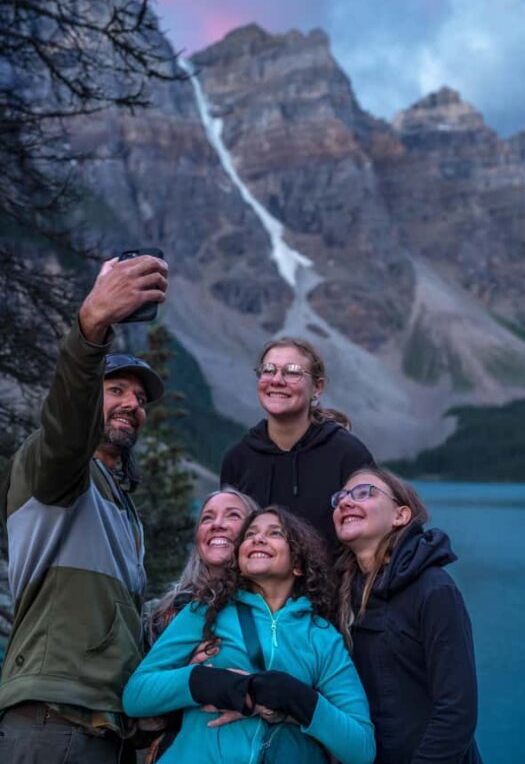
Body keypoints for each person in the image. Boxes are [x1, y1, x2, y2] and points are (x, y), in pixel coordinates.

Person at [0, 253, 168, 764]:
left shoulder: (121, 507)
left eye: (141, 400)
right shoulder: (54, 469)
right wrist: (91, 328)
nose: (132, 405)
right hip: (54, 719)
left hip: (104, 728)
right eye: (116, 390)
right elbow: (67, 425)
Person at [123, 506, 376, 764]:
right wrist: (204, 682)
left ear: (298, 565)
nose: (258, 538)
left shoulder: (322, 636)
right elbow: (136, 696)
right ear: (239, 562)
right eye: (250, 534)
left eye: (275, 533)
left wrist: (292, 697)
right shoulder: (205, 611)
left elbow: (362, 749)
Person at [333, 468, 483, 764]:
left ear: (400, 515)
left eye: (364, 492)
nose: (346, 502)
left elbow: (456, 712)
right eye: (340, 498)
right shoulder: (342, 593)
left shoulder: (433, 589)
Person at [220, 337, 375, 545]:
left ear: (317, 388)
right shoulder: (238, 460)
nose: (276, 380)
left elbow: (372, 533)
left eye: (292, 372)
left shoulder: (348, 454)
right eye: (268, 370)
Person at [147, 488, 259, 645]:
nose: (217, 524)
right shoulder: (163, 614)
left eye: (233, 515)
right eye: (207, 518)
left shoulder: (273, 610)